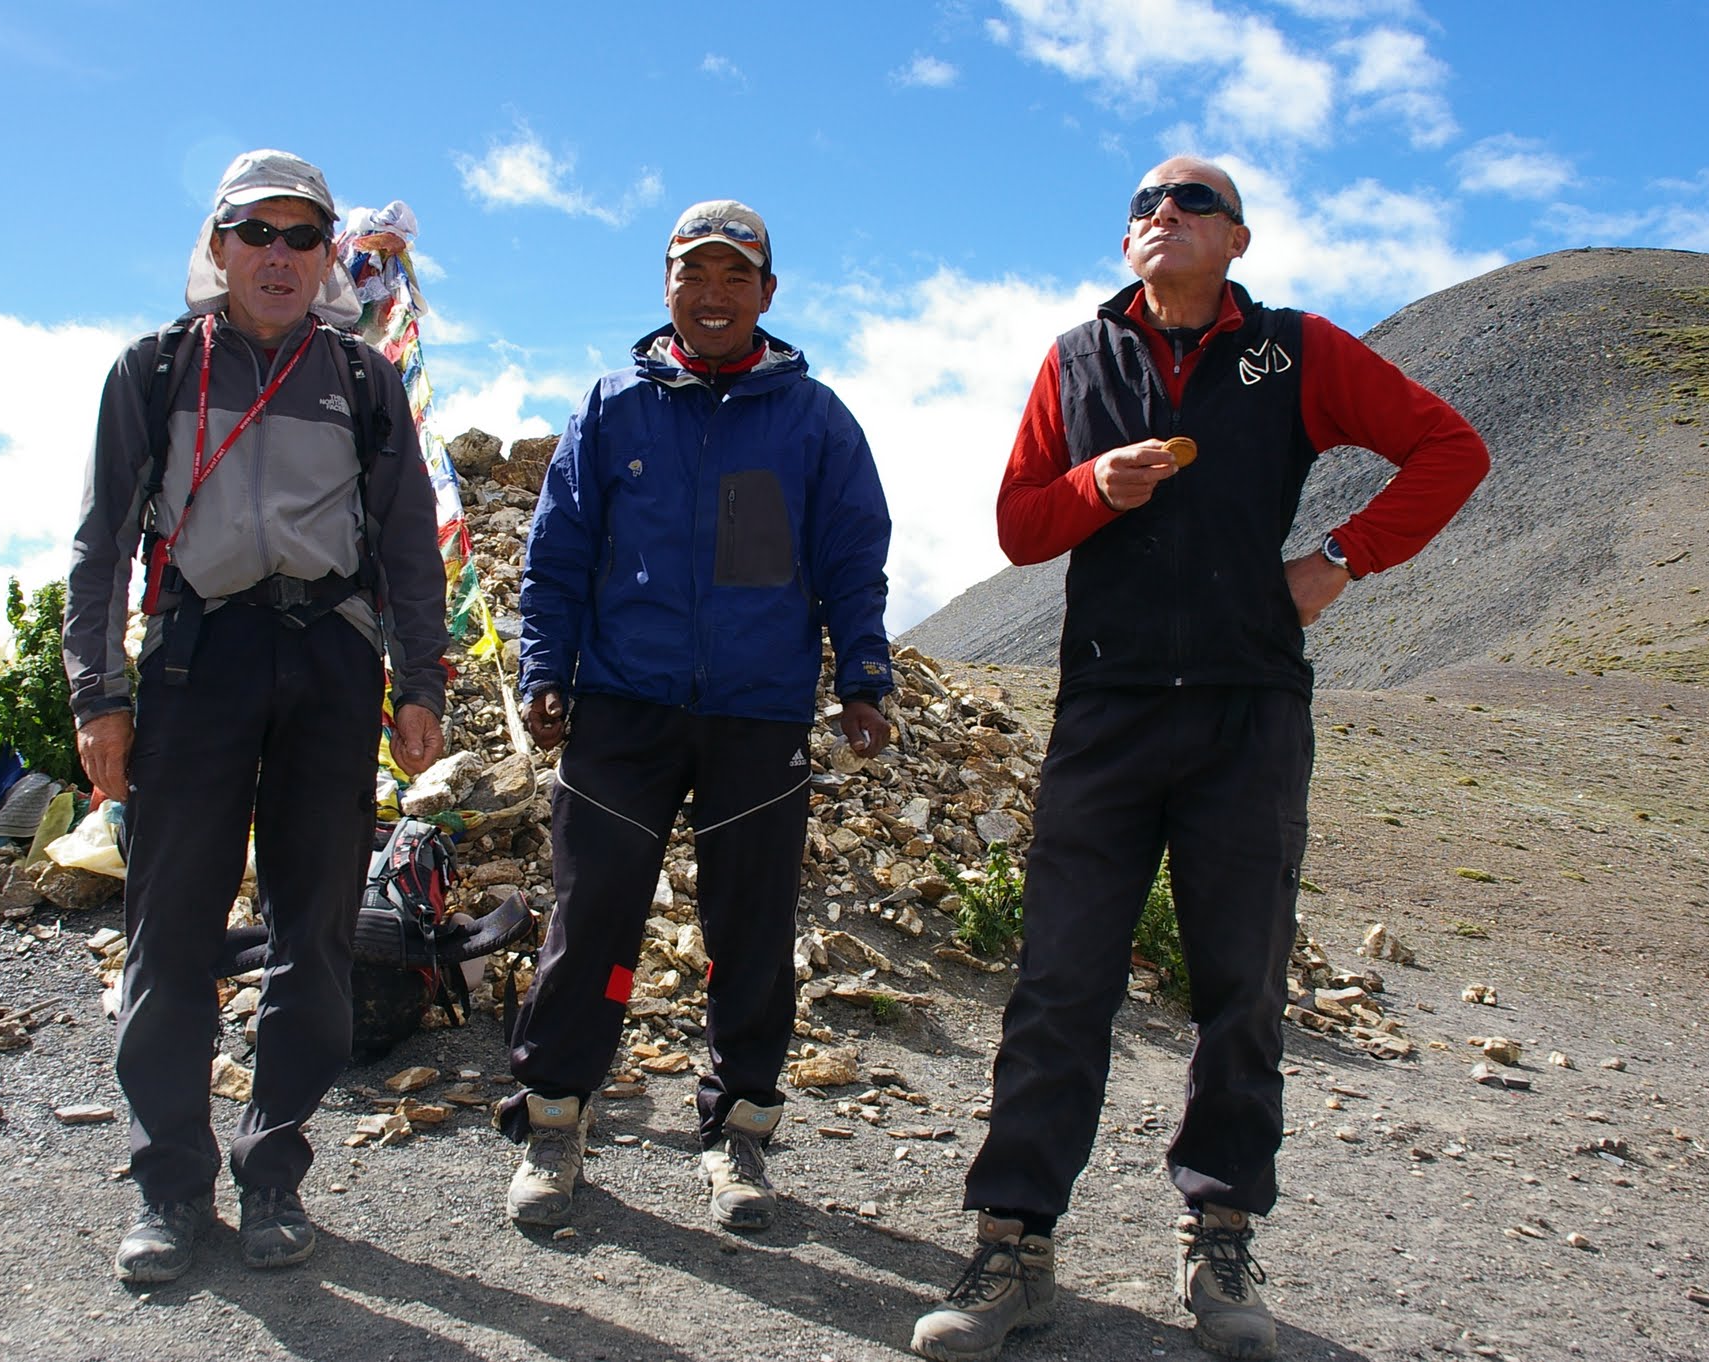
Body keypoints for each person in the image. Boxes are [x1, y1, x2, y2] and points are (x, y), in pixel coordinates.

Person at [910, 157, 1488, 1362]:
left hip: (1245, 708)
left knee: (1240, 985)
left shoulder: (1295, 349)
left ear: (1237, 237)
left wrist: (1336, 556)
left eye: (1189, 202)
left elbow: (1448, 449)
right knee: (1060, 980)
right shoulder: (1076, 358)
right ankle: (1011, 1242)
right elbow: (1020, 527)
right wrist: (1090, 485)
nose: (1157, 215)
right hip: (1107, 708)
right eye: (1139, 205)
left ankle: (1220, 1233)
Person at [64, 148, 450, 1284]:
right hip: (195, 663)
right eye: (257, 233)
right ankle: (169, 1189)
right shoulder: (152, 370)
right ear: (218, 244)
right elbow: (100, 548)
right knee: (169, 933)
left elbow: (409, 545)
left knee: (316, 932)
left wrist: (419, 684)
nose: (278, 256)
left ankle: (272, 1170)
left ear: (331, 252)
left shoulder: (364, 381)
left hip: (329, 668)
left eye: (301, 235)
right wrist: (99, 694)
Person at [500, 199, 894, 1233]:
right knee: (590, 928)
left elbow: (852, 560)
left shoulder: (814, 422)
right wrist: (546, 670)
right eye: (693, 274)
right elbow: (556, 557)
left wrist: (861, 676)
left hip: (755, 720)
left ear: (767, 293)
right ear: (664, 285)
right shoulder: (611, 408)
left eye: (734, 276)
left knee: (750, 939)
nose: (712, 294)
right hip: (622, 712)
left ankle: (738, 1144)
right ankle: (553, 1125)